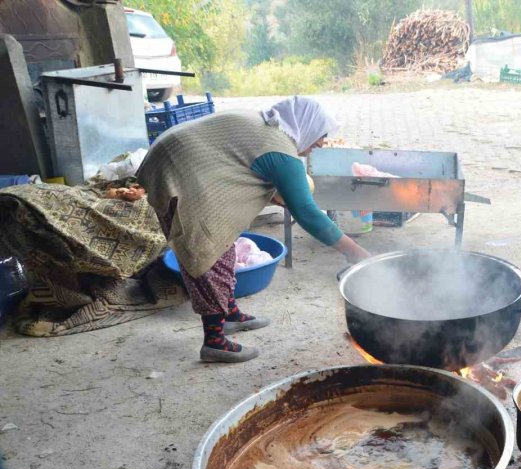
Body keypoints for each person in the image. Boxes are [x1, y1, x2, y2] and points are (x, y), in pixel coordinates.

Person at [138, 97, 370, 363]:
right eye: (321, 135)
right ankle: (214, 343)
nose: (321, 143)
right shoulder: (281, 152)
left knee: (224, 243)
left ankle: (230, 315)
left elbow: (245, 168)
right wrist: (355, 252)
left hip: (176, 158)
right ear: (306, 125)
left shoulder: (270, 128)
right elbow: (308, 215)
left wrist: (280, 197)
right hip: (174, 171)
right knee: (208, 252)